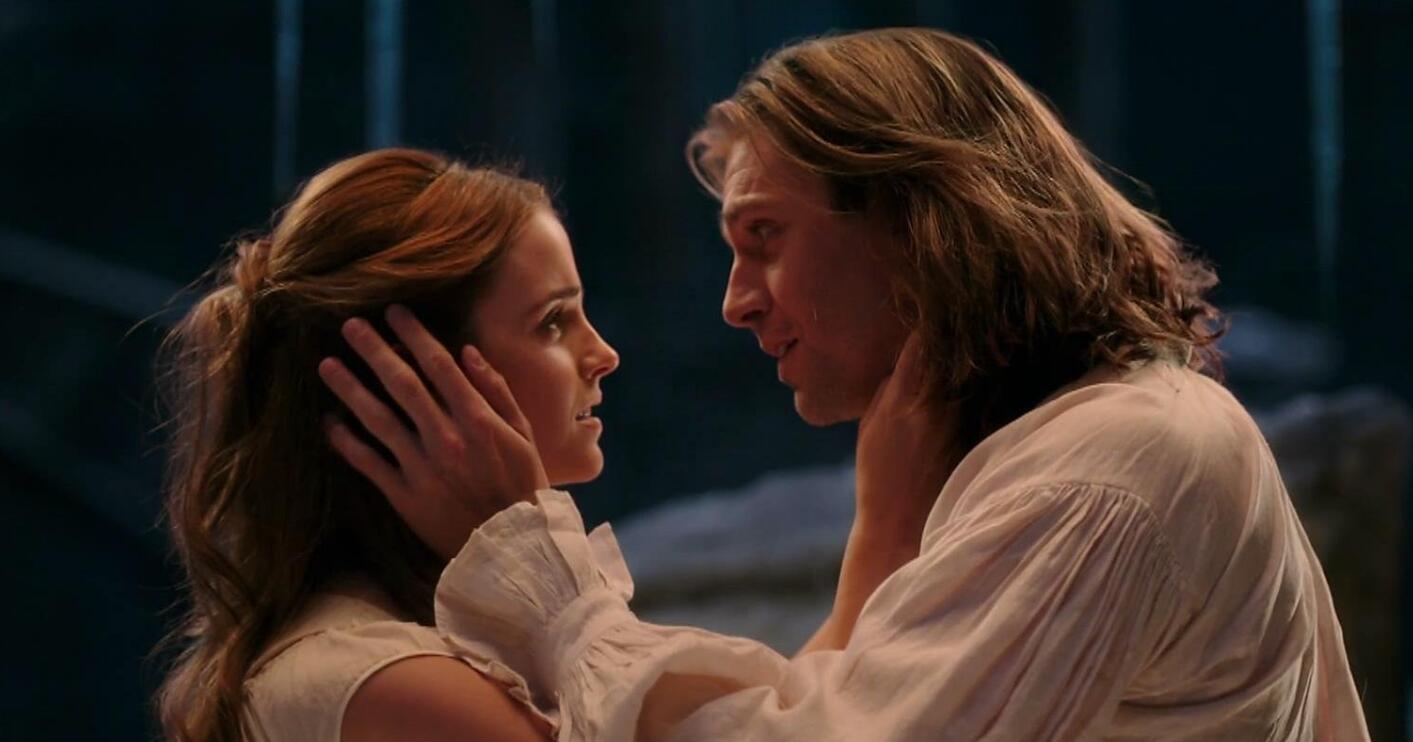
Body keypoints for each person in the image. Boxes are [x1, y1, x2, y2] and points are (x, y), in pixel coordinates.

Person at [329, 29, 1371, 740]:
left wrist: (537, 577)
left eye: (765, 237)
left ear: (921, 225)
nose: (736, 302)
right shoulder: (1094, 438)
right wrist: (884, 534)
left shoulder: (1107, 465)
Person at [155, 147, 618, 741]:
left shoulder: (410, 654)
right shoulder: (397, 685)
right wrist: (532, 558)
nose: (604, 355)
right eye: (553, 321)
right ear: (412, 383)